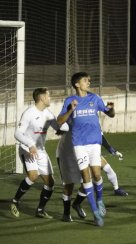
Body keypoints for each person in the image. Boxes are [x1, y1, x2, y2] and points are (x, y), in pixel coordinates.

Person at [57, 72, 115, 227]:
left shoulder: (95, 98)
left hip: (94, 142)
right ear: (77, 84)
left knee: (97, 173)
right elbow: (59, 121)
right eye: (85, 80)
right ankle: (95, 212)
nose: (88, 82)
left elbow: (110, 114)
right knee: (86, 176)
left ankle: (100, 200)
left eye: (89, 80)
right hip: (79, 144)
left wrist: (111, 109)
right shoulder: (70, 100)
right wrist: (70, 110)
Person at [10, 87, 69, 219]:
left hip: (41, 151)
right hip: (27, 149)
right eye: (48, 96)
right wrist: (30, 145)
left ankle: (40, 210)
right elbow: (17, 133)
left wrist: (69, 123)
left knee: (50, 183)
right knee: (33, 176)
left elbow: (58, 127)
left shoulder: (48, 114)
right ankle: (14, 202)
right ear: (42, 98)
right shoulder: (29, 113)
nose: (50, 98)